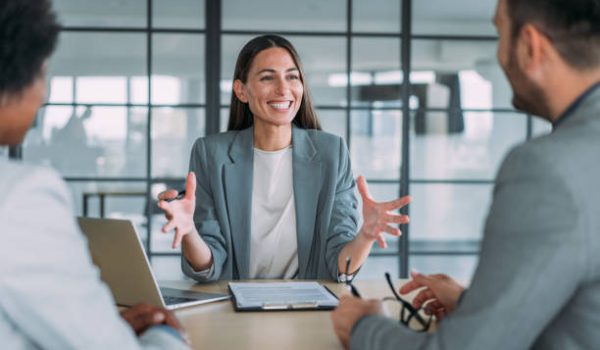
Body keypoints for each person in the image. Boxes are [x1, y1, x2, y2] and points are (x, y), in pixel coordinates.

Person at [332, 0, 600, 348]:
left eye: (500, 34)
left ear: (531, 46)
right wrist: (476, 304)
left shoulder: (548, 169)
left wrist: (363, 326)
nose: (499, 55)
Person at [0, 1, 189, 348]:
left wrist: (102, 324)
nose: (42, 97)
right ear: (23, 72)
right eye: (45, 74)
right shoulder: (19, 197)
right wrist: (165, 334)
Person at [158, 34, 411, 281]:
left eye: (292, 76)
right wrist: (189, 230)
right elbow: (209, 266)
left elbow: (339, 266)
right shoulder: (211, 153)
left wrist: (365, 236)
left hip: (307, 308)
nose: (283, 89)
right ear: (241, 90)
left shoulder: (331, 153)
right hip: (233, 306)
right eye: (268, 77)